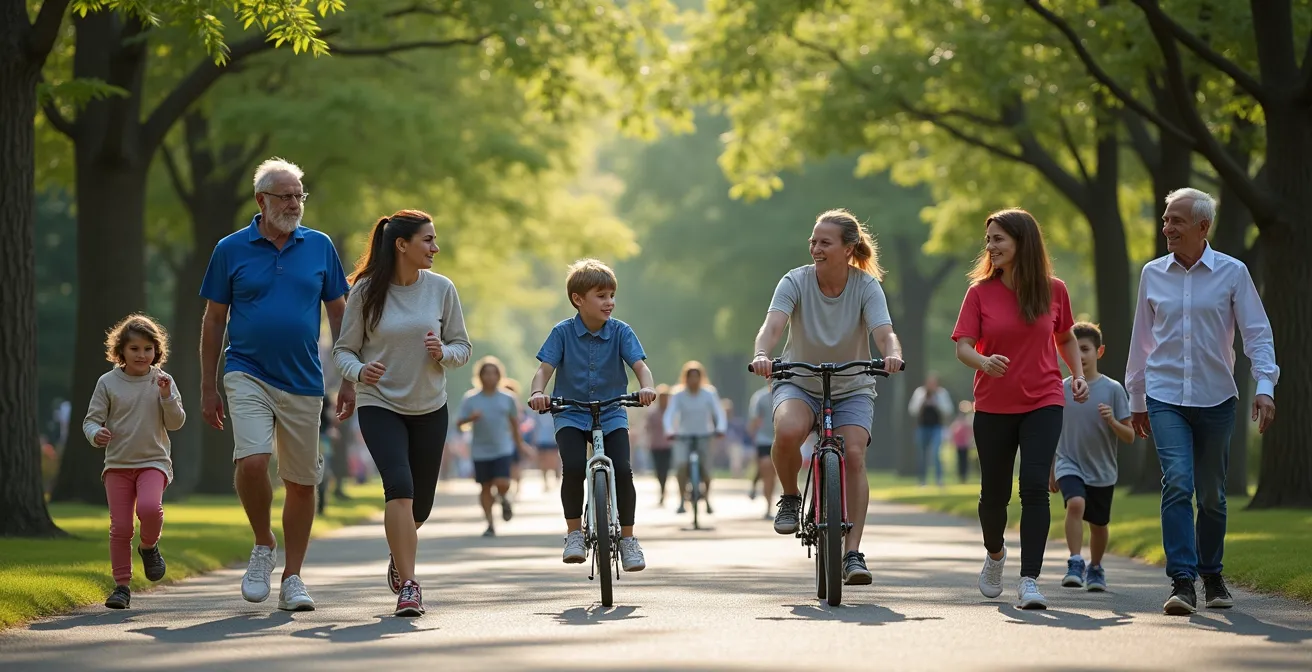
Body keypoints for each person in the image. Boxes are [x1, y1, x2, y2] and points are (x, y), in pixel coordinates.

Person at [200, 157, 354, 612]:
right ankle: (263, 543)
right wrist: (208, 387)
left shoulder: (319, 245)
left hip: (305, 380)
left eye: (298, 196)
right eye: (284, 196)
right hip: (245, 370)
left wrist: (347, 378)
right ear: (260, 200)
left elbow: (340, 313)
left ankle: (293, 578)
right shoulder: (230, 248)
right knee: (252, 462)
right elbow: (213, 320)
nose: (294, 204)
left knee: (302, 482)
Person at [1126, 188, 1279, 616]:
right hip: (1165, 395)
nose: (1167, 228)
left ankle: (1212, 573)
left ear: (1202, 227)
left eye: (1176, 221)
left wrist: (1265, 386)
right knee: (1177, 482)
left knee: (1212, 494)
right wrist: (1136, 396)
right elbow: (1142, 341)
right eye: (1164, 220)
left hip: (1216, 398)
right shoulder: (1152, 274)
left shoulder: (1233, 273)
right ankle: (1182, 582)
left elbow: (1257, 334)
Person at [748, 208, 905, 586]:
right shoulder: (795, 281)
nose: (816, 248)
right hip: (799, 380)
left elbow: (885, 332)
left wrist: (893, 354)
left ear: (849, 249)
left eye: (825, 242)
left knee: (853, 453)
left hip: (852, 384)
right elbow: (772, 326)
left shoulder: (866, 287)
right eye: (813, 242)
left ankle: (852, 552)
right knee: (787, 430)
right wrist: (761, 356)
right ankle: (788, 496)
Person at [332, 209, 471, 616]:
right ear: (402, 245)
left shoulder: (442, 288)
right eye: (428, 240)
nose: (435, 247)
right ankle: (410, 585)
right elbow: (344, 349)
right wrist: (359, 372)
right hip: (380, 403)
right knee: (399, 485)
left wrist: (443, 353)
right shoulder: (365, 292)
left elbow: (463, 346)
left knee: (420, 507)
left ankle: (399, 554)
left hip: (430, 406)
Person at [951, 208, 1088, 610]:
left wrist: (1076, 374)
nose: (990, 247)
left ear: (1022, 242)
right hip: (993, 404)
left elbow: (1064, 338)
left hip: (1044, 399)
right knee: (993, 494)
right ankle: (996, 555)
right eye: (988, 240)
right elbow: (962, 346)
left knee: (1033, 486)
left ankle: (1029, 580)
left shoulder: (1054, 289)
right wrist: (983, 362)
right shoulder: (979, 293)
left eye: (999, 239)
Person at [526, 258, 657, 572]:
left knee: (623, 470)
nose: (609, 302)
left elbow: (640, 366)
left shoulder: (621, 331)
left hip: (612, 410)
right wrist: (537, 394)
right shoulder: (561, 333)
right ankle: (574, 533)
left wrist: (646, 388)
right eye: (601, 296)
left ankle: (628, 539)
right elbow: (544, 370)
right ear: (578, 300)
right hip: (570, 411)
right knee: (572, 467)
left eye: (612, 295)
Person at [83, 314, 185, 609]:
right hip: (117, 465)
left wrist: (166, 396)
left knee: (151, 509)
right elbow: (90, 421)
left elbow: (177, 422)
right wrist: (95, 434)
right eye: (135, 349)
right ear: (121, 352)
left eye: (148, 349)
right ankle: (122, 587)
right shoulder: (108, 382)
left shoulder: (162, 380)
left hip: (154, 461)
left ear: (156, 351)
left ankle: (149, 546)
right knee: (121, 527)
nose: (142, 355)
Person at [1049, 322, 1133, 592]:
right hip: (1068, 462)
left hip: (1102, 469)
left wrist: (1112, 421)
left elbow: (1130, 435)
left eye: (1085, 349)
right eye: (1074, 349)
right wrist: (1051, 469)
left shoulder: (1113, 390)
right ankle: (1075, 561)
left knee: (1099, 524)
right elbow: (1051, 433)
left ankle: (1095, 567)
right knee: (1075, 504)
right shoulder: (1060, 389)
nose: (1080, 355)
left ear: (1100, 351)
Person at [457, 357, 529, 537]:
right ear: (479, 376)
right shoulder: (471, 398)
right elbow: (458, 423)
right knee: (485, 487)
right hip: (480, 449)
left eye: (493, 373)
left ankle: (504, 498)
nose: (489, 377)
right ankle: (490, 523)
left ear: (499, 375)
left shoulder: (508, 398)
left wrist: (520, 445)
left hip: (502, 447)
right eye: (486, 373)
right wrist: (470, 419)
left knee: (502, 482)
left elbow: (514, 423)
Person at [663, 361, 727, 515]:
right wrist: (670, 430)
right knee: (681, 466)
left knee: (706, 469)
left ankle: (707, 499)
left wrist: (720, 429)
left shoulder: (709, 393)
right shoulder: (678, 395)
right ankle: (681, 500)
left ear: (701, 378)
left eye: (696, 377)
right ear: (685, 378)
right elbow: (669, 414)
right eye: (690, 377)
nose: (693, 380)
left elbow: (719, 412)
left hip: (705, 435)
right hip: (683, 436)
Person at [908, 373, 953, 487]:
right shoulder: (920, 393)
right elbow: (912, 410)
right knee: (921, 454)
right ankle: (922, 480)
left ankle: (939, 479)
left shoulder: (942, 394)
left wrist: (936, 404)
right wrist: (923, 402)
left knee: (936, 453)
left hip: (937, 427)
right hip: (922, 427)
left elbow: (948, 410)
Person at [746, 383, 777, 519]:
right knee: (766, 468)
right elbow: (755, 419)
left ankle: (754, 485)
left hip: (781, 439)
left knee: (773, 473)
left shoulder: (790, 395)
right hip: (763, 439)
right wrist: (751, 438)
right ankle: (768, 506)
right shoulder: (760, 397)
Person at [643, 384, 675, 506]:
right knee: (658, 470)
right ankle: (661, 488)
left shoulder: (671, 412)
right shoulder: (653, 413)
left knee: (666, 469)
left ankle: (663, 489)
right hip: (655, 446)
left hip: (668, 446)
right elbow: (647, 428)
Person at [949, 401, 975, 484]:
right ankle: (961, 476)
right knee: (960, 460)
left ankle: (964, 476)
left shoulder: (968, 420)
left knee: (964, 460)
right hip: (959, 444)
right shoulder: (958, 420)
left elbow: (970, 433)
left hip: (965, 444)